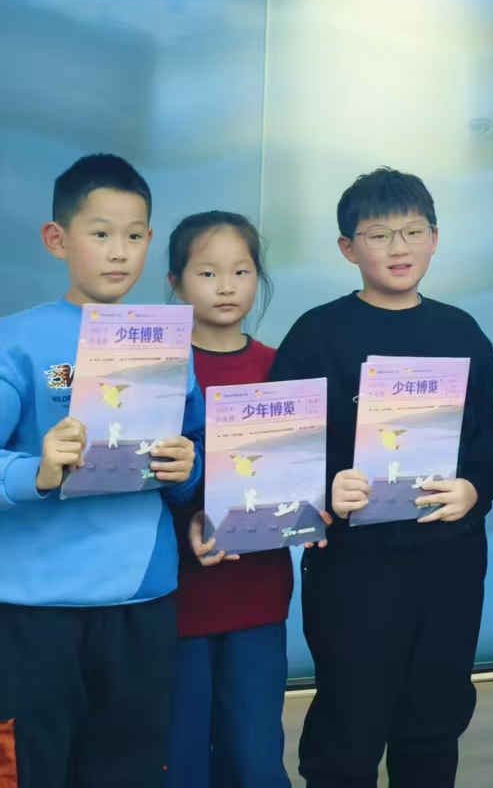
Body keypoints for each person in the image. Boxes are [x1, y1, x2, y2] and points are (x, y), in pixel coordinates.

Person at [269, 167, 493, 788]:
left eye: (413, 231)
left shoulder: (462, 332)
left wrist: (474, 489)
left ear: (435, 238)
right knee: (349, 726)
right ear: (348, 248)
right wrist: (324, 488)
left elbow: (488, 439)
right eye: (379, 235)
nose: (399, 248)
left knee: (434, 722)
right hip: (355, 568)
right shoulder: (317, 334)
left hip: (449, 565)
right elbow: (277, 447)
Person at [0, 153, 204, 785]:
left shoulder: (168, 342)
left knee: (131, 768)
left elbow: (191, 462)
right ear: (56, 239)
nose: (120, 252)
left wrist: (186, 468)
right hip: (36, 606)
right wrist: (38, 471)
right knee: (35, 768)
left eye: (135, 236)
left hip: (141, 598)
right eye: (100, 233)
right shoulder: (18, 341)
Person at [166, 212, 311, 788]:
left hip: (258, 592)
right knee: (181, 756)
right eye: (207, 273)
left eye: (241, 271)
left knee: (254, 754)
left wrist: (312, 505)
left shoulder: (283, 368)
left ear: (258, 277)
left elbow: (301, 472)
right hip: (176, 594)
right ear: (176, 282)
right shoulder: (160, 368)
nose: (226, 286)